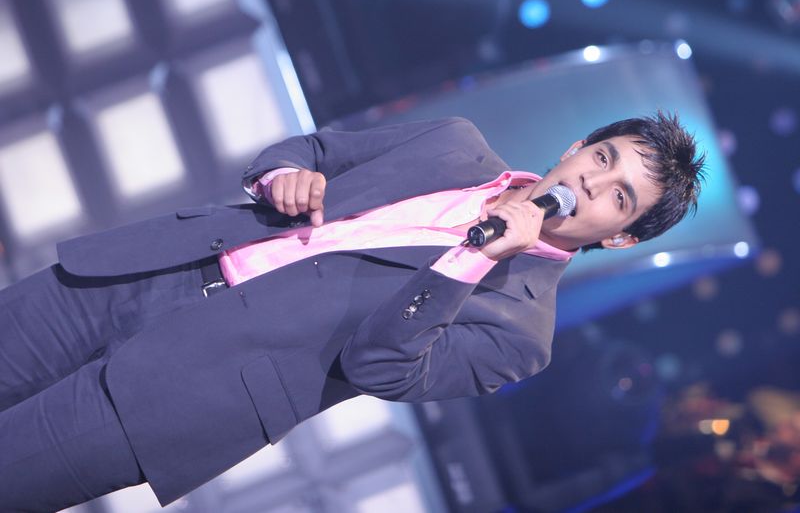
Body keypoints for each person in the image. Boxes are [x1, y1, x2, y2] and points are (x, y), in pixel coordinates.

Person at [0, 112, 705, 511]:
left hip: (183, 391)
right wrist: (283, 175)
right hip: (146, 272)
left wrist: (477, 257)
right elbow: (316, 149)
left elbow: (381, 365)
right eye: (603, 158)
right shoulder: (454, 142)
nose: (592, 182)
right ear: (576, 147)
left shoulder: (521, 333)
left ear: (620, 236)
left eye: (619, 196)